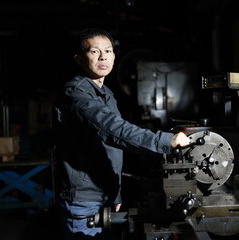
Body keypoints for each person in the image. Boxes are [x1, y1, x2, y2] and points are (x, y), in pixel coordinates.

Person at [52, 28, 190, 239]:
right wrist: (165, 141)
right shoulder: (76, 94)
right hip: (83, 200)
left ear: (115, 56)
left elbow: (109, 148)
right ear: (79, 59)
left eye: (108, 51)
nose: (102, 56)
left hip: (102, 193)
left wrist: (114, 193)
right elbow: (112, 129)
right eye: (94, 51)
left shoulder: (106, 94)